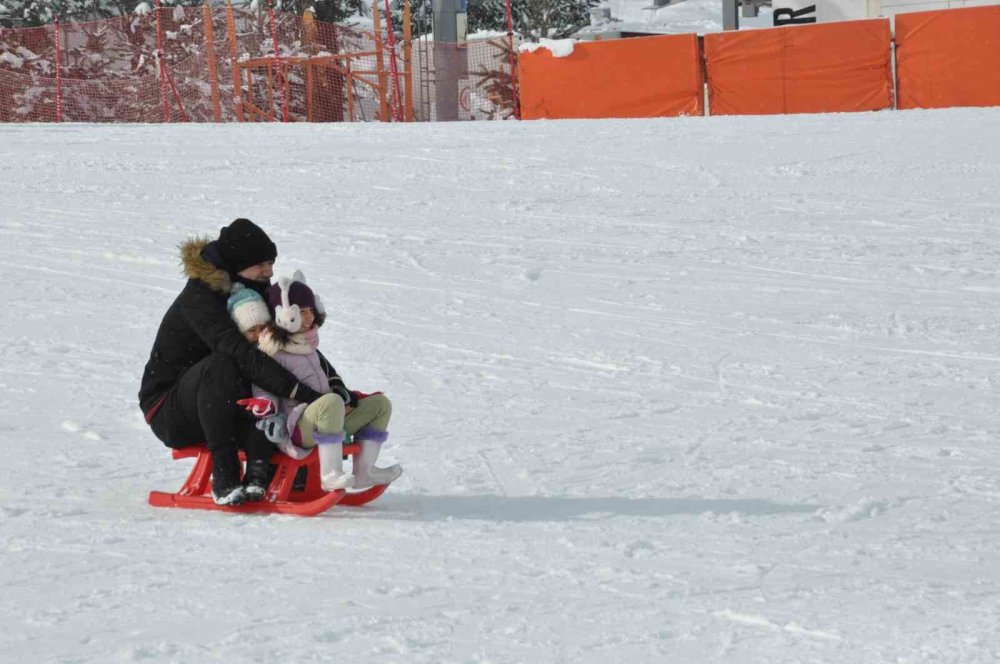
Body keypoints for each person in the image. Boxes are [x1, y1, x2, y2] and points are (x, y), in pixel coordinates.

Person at [138, 218, 325, 506]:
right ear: (238, 263)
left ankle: (276, 472)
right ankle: (224, 473)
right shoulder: (200, 297)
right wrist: (300, 392)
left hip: (227, 405)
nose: (270, 271)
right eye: (261, 264)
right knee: (224, 363)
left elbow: (292, 344)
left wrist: (330, 390)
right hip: (171, 410)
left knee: (271, 371)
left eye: (272, 262)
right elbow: (241, 355)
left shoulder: (256, 289)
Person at [233, 270, 401, 491]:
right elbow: (263, 388)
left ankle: (364, 472)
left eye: (311, 310)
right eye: (301, 311)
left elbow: (327, 382)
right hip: (297, 428)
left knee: (380, 405)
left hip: (328, 418)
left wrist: (341, 393)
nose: (309, 317)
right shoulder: (271, 352)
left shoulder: (307, 346)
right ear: (284, 314)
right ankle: (330, 474)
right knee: (330, 402)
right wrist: (266, 406)